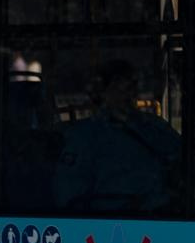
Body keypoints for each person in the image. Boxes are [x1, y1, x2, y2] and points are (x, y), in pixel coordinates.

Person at [57, 58, 183, 214]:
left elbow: (188, 162)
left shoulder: (155, 126)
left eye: (131, 87)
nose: (127, 95)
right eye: (118, 88)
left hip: (163, 216)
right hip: (109, 219)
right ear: (102, 93)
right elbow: (68, 194)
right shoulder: (83, 135)